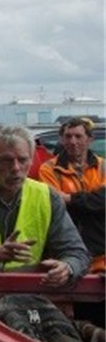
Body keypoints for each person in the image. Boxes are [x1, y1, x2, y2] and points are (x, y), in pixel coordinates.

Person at [0, 124, 91, 283]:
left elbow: (77, 252)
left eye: (22, 160)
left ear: (31, 160)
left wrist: (68, 267)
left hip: (25, 291)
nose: (16, 168)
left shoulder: (46, 196)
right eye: (6, 161)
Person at [38, 117, 104, 273]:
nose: (73, 141)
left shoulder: (103, 166)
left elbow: (103, 201)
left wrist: (69, 198)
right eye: (68, 136)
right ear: (61, 139)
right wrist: (93, 200)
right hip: (66, 249)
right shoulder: (48, 169)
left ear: (89, 140)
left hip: (101, 252)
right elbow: (55, 204)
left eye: (78, 136)